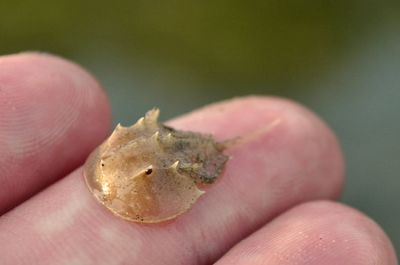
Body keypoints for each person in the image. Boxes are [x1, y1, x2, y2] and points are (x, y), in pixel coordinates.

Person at [0, 53, 397, 265]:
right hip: (143, 150)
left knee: (226, 147)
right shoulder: (110, 159)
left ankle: (266, 128)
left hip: (171, 160)